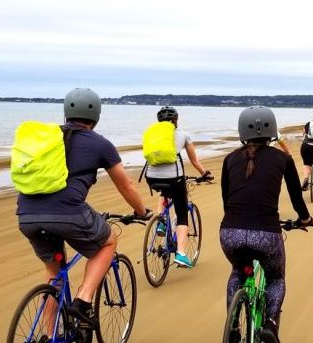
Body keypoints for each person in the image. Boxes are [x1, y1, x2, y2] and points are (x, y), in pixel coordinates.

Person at [17, 88, 151, 328]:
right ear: (96, 116)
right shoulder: (100, 144)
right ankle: (83, 300)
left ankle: (50, 338)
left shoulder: (48, 141)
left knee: (54, 274)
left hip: (27, 215)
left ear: (66, 113)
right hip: (68, 213)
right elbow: (126, 185)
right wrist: (141, 211)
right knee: (108, 242)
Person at [220, 105, 313, 343]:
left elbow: (226, 199)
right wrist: (304, 219)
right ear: (272, 132)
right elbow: (296, 198)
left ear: (242, 132)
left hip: (231, 232)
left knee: (238, 272)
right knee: (275, 278)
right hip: (267, 234)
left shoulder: (230, 159)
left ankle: (231, 332)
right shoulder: (283, 159)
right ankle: (270, 326)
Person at [144, 106, 214, 268]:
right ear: (175, 120)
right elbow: (194, 161)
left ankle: (160, 221)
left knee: (164, 191)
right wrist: (205, 174)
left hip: (151, 176)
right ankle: (181, 254)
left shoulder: (152, 134)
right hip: (175, 178)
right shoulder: (183, 135)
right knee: (182, 213)